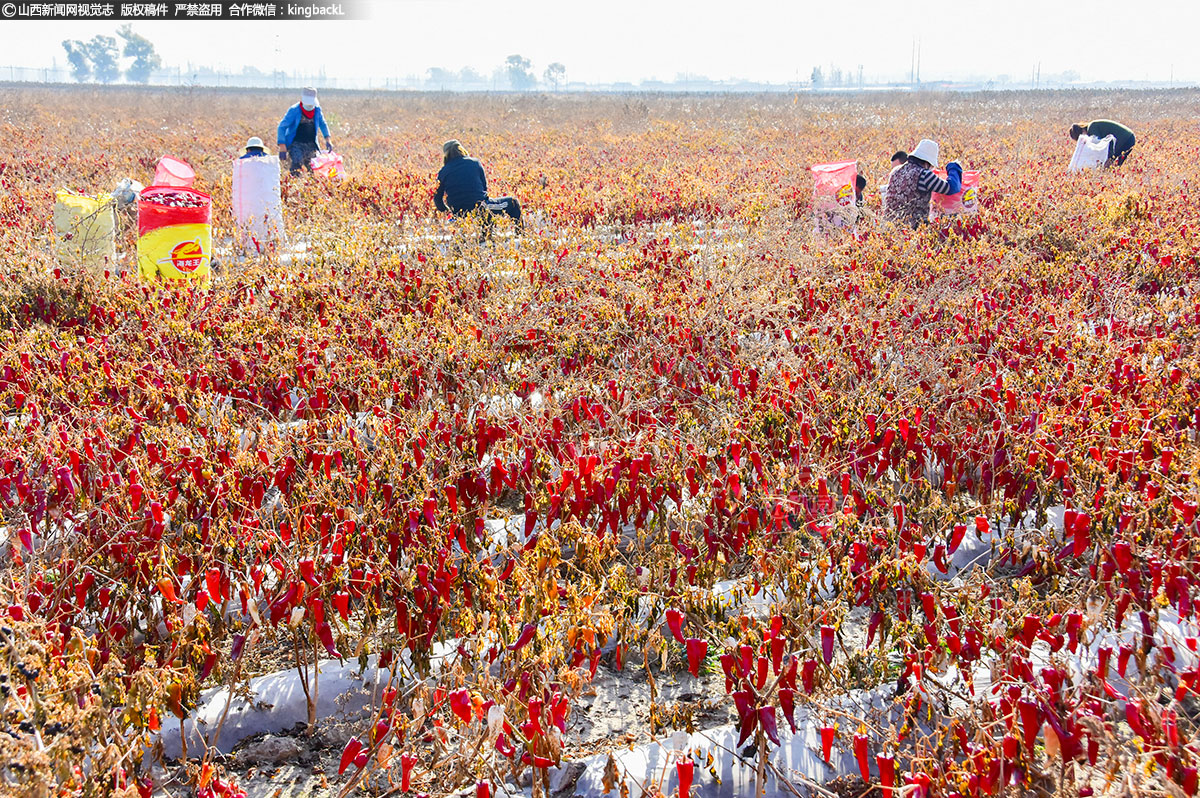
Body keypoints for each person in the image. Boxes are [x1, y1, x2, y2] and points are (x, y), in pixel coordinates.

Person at [434, 140, 522, 229]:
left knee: (483, 208)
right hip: (479, 207)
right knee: (512, 203)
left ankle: (482, 237)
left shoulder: (443, 172)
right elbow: (484, 189)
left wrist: (448, 212)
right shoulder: (474, 163)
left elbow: (437, 199)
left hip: (457, 212)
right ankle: (519, 235)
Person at [883, 139, 962, 228]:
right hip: (911, 228)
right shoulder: (924, 175)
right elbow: (951, 188)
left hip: (890, 225)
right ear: (927, 163)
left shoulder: (896, 171)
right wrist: (954, 168)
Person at [277, 87, 332, 175]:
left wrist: (328, 139)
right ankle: (294, 184)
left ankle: (310, 186)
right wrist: (282, 146)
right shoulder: (294, 110)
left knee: (312, 168)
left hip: (311, 144)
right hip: (296, 143)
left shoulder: (317, 110)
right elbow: (282, 127)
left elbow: (323, 124)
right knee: (296, 164)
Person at [1070, 120, 1135, 166]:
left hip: (1125, 139)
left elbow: (1101, 147)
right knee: (1116, 165)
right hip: (1129, 138)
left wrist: (1108, 159)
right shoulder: (1092, 126)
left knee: (1112, 165)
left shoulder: (1092, 128)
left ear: (1082, 131)